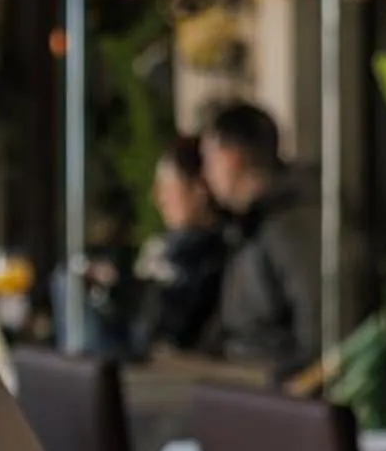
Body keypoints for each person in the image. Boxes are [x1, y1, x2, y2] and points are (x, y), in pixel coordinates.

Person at [199, 102, 322, 387]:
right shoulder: (248, 227)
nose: (206, 175)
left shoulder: (289, 228)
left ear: (232, 157)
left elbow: (315, 328)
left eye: (209, 159)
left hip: (277, 391)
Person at [137, 135, 232, 356]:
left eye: (168, 187)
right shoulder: (165, 249)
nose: (158, 199)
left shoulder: (224, 255)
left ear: (199, 189)